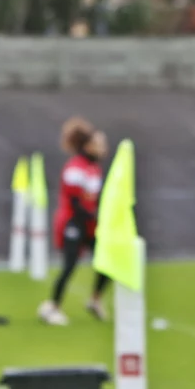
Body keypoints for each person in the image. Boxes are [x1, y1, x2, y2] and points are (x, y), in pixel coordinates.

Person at [36, 119, 109, 327]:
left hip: (89, 224)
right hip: (73, 224)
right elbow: (76, 204)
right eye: (99, 143)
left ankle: (95, 300)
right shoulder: (75, 168)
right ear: (87, 146)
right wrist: (95, 218)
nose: (103, 148)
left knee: (107, 262)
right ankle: (52, 307)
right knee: (69, 266)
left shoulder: (94, 168)